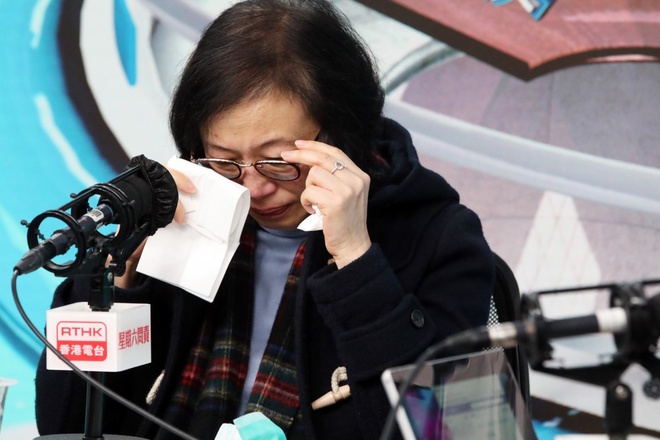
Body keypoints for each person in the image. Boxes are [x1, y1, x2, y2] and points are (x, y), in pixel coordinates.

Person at [35, 0, 494, 438]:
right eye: (225, 160)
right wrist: (119, 281)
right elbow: (63, 425)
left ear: (343, 133)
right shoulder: (175, 222)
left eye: (277, 161)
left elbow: (441, 427)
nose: (253, 188)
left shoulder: (439, 238)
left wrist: (357, 261)